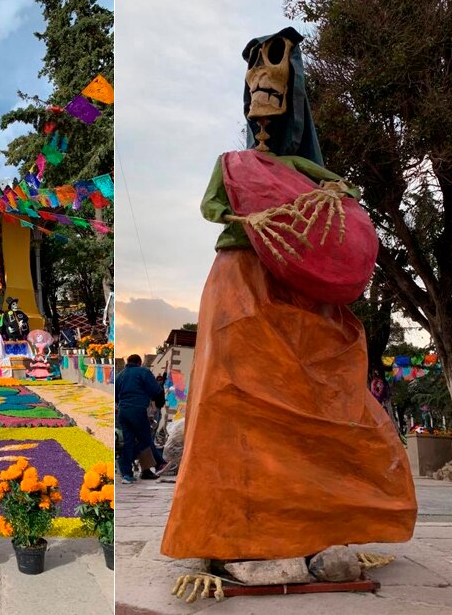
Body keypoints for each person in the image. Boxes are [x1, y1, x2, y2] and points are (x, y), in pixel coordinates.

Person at [161, 28, 415, 562]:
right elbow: (210, 208)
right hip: (237, 280)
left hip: (288, 283)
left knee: (309, 395)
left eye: (274, 89)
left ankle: (319, 525)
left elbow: (341, 188)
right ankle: (221, 538)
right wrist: (245, 215)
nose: (261, 105)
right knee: (230, 395)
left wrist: (331, 195)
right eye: (255, 87)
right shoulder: (230, 162)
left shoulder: (295, 166)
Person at [115, 354, 168, 483]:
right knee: (145, 440)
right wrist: (156, 404)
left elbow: (116, 397)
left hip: (123, 412)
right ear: (139, 362)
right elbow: (156, 390)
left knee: (129, 441)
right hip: (137, 410)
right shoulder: (143, 372)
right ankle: (159, 463)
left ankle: (127, 474)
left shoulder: (120, 375)